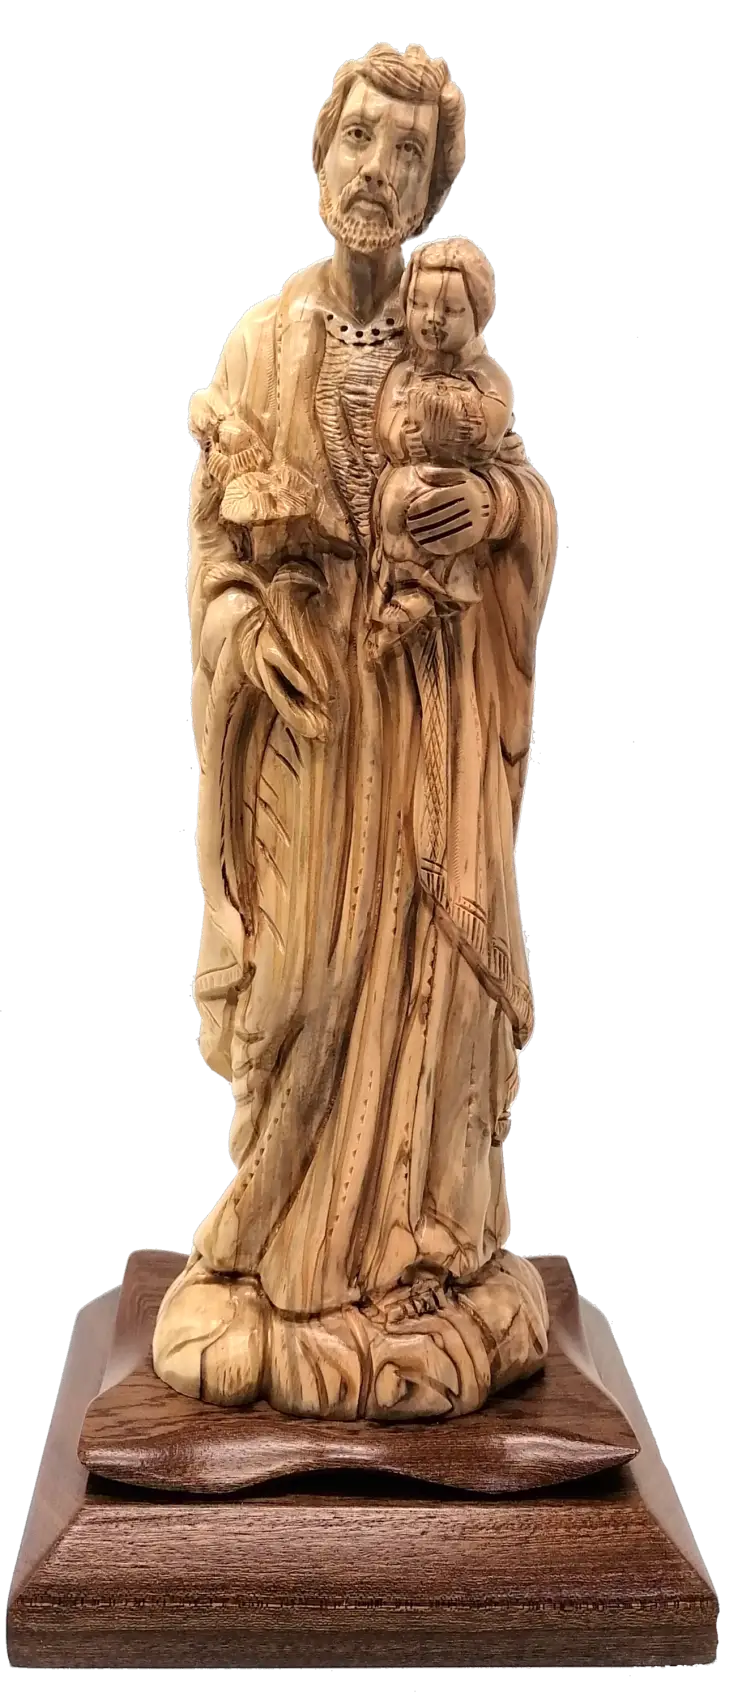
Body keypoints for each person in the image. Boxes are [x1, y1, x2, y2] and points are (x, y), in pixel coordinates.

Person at [153, 43, 557, 1419]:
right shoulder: (265, 341)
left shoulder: (454, 340)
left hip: (425, 727)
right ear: (321, 152)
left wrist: (489, 515)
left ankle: (405, 1255)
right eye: (358, 141)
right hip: (313, 736)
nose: (375, 173)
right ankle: (271, 1247)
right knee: (305, 984)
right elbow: (212, 558)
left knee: (422, 981)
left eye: (406, 154)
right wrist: (248, 634)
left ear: (434, 186)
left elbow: (519, 498)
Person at [369, 237, 513, 657]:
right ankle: (405, 585)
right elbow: (388, 421)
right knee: (394, 504)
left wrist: (475, 428)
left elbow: (495, 422)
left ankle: (444, 592)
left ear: (478, 314)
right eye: (419, 305)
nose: (432, 319)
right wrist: (402, 437)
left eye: (451, 310)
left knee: (450, 521)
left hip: (457, 477)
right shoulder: (404, 372)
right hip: (409, 473)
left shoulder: (485, 376)